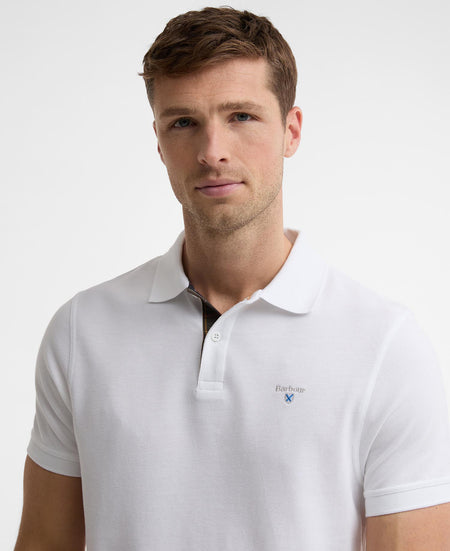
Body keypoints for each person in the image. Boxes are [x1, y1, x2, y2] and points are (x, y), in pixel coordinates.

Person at [14, 7, 450, 551]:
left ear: (291, 130)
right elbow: (44, 541)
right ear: (159, 142)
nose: (212, 152)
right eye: (183, 122)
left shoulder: (384, 347)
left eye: (241, 116)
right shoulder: (82, 330)